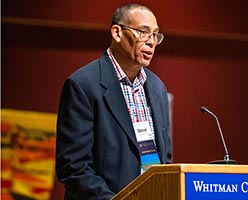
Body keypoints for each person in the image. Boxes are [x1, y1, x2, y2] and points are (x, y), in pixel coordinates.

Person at [55, 3, 172, 200]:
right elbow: (73, 167)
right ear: (117, 33)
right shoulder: (83, 84)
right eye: (143, 32)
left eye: (155, 35)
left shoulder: (157, 87)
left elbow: (164, 159)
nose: (151, 42)